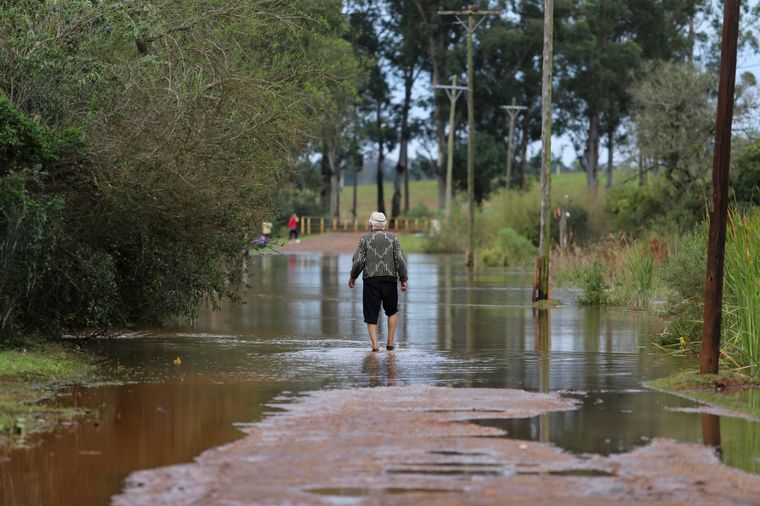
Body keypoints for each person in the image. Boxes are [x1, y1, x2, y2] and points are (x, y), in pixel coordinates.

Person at [348, 211, 408, 352]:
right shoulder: (393, 238)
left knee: (371, 313)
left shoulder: (365, 239)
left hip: (371, 280)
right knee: (392, 311)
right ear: (384, 224)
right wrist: (403, 278)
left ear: (370, 224)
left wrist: (353, 276)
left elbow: (359, 261)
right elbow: (399, 259)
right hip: (390, 279)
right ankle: (390, 343)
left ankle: (375, 346)